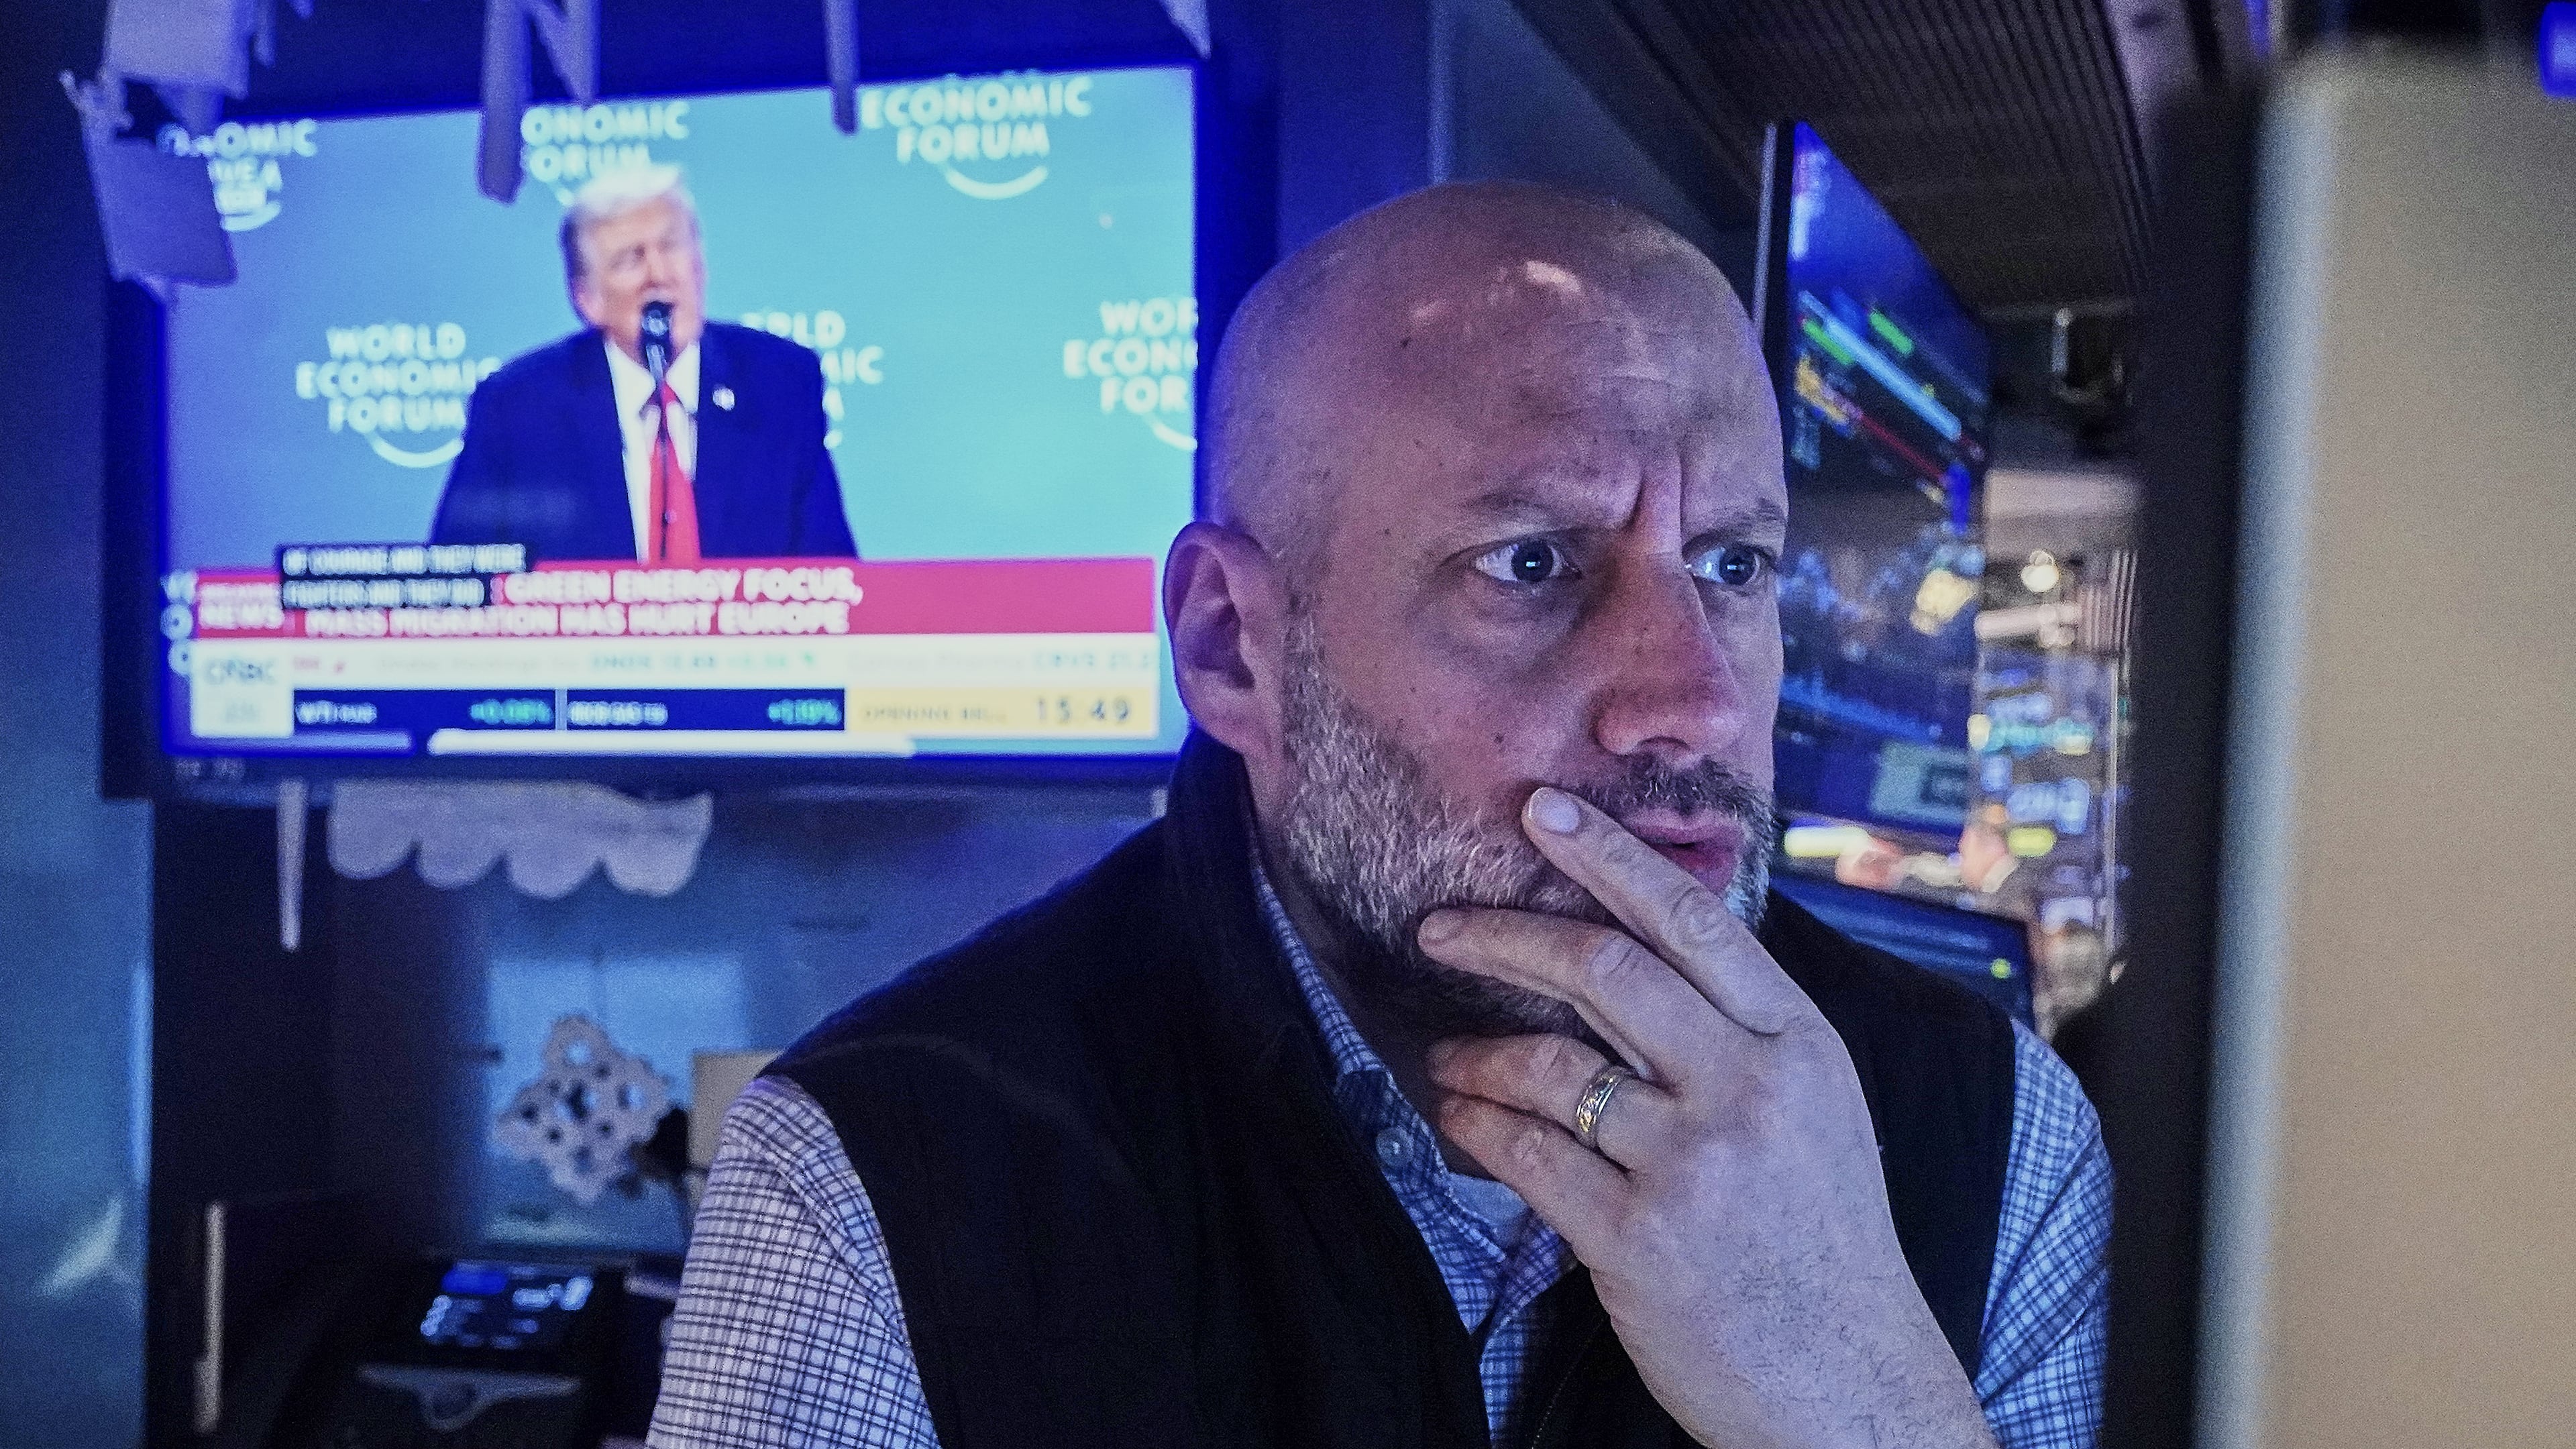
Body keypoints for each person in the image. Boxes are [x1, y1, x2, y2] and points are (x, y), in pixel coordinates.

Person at [648, 183, 2108, 1449]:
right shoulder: (884, 1176)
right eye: (1533, 563)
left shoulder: (1994, 1135)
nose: (1700, 703)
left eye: (1731, 567)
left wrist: (1857, 1401)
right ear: (1232, 644)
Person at [429, 164, 857, 561]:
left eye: (671, 247)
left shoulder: (780, 383)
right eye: (630, 259)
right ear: (587, 299)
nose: (659, 273)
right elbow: (463, 579)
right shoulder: (519, 408)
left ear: (700, 265)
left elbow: (833, 575)